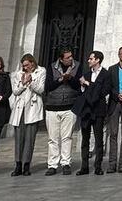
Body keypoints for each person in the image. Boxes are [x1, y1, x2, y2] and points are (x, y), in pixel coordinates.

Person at [73, 50, 112, 176]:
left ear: (97, 60)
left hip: (98, 109)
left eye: (91, 59)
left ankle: (98, 166)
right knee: (85, 139)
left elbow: (103, 92)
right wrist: (85, 86)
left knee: (99, 138)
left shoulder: (106, 74)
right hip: (87, 110)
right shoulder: (86, 74)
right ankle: (84, 166)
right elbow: (83, 92)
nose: (89, 60)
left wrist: (88, 84)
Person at [44, 48, 81, 176]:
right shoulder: (51, 67)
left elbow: (78, 86)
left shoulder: (77, 66)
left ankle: (66, 163)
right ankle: (52, 164)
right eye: (67, 57)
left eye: (71, 56)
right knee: (53, 138)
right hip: (52, 106)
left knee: (67, 137)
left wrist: (70, 78)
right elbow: (48, 86)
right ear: (61, 59)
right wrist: (60, 79)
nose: (70, 59)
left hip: (69, 106)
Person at [10, 53, 46, 176]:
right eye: (23, 66)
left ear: (32, 63)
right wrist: (23, 83)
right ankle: (18, 164)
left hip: (32, 108)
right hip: (20, 109)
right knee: (19, 138)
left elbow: (41, 89)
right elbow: (15, 91)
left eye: (27, 65)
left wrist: (31, 82)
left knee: (29, 139)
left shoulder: (41, 71)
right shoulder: (18, 74)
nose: (25, 68)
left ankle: (26, 165)